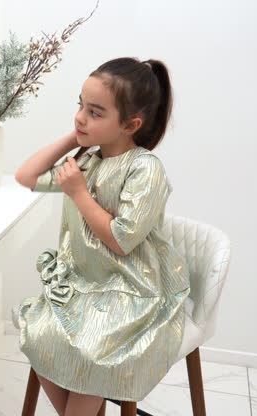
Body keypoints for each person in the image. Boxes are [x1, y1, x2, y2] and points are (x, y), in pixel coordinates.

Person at [14, 57, 190, 415]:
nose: (81, 116)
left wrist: (79, 193)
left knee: (92, 350)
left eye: (95, 112)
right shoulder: (87, 160)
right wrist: (75, 137)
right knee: (38, 332)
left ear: (130, 124)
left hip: (131, 290)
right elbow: (26, 177)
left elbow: (120, 240)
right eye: (80, 105)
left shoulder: (145, 169)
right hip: (86, 284)